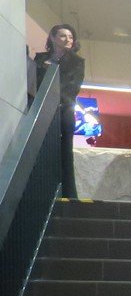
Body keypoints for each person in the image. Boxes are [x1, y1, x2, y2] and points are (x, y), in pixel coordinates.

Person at [33, 24, 84, 198]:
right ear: (53, 38)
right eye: (63, 36)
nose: (68, 40)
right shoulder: (40, 58)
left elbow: (72, 88)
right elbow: (33, 83)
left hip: (63, 111)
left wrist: (54, 102)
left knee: (64, 152)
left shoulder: (77, 62)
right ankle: (42, 191)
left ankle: (68, 193)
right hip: (41, 111)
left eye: (70, 37)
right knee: (41, 151)